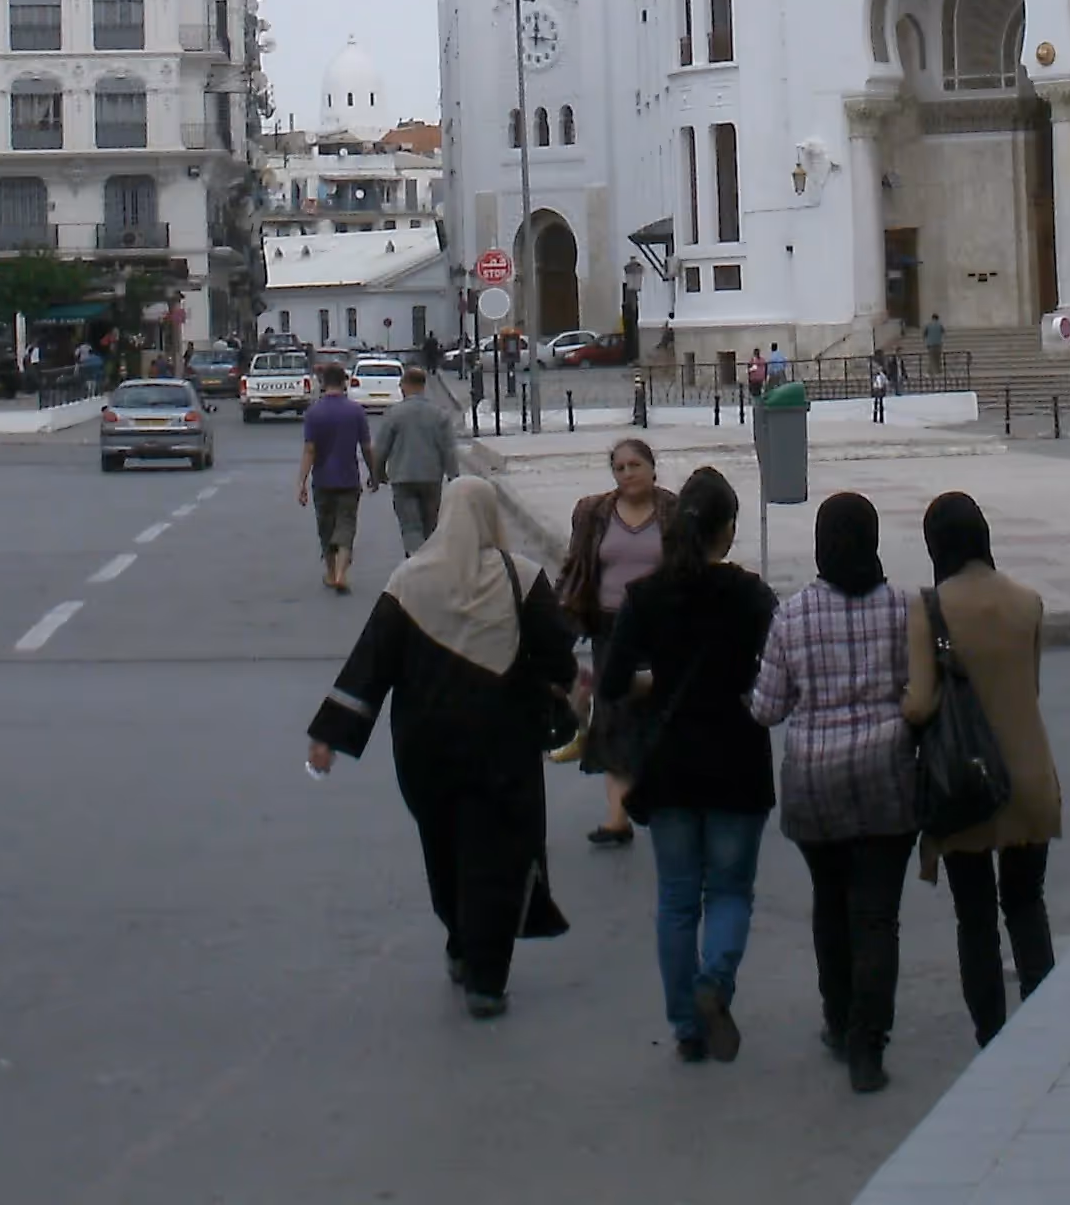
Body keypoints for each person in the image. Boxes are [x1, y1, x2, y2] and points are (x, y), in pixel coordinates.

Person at [305, 479, 579, 1019]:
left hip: (426, 750)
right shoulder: (521, 577)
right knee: (496, 857)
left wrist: (329, 737)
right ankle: (486, 978)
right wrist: (569, 685)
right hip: (504, 749)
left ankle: (460, 938)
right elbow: (556, 654)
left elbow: (372, 663)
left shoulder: (409, 582)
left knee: (445, 848)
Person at [605, 466, 776, 1063]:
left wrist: (658, 683)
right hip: (737, 757)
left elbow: (613, 681)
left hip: (670, 760)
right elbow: (774, 671)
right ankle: (715, 980)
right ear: (727, 531)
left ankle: (685, 1025)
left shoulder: (645, 597)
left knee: (678, 898)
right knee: (730, 890)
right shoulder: (752, 596)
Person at [746, 491, 914, 1094]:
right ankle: (870, 1045)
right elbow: (919, 693)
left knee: (830, 903)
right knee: (877, 915)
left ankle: (838, 1019)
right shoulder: (901, 609)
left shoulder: (792, 616)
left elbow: (767, 710)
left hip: (813, 781)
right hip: (886, 776)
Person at [903, 490, 1061, 1048]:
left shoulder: (929, 608)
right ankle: (1043, 1022)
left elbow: (921, 703)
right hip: (1030, 776)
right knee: (1025, 901)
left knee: (975, 918)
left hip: (965, 783)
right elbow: (1032, 689)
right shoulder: (1029, 601)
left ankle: (992, 1035)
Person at [561, 436, 672, 842]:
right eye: (620, 468)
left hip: (661, 629)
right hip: (610, 628)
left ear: (652, 467)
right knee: (614, 718)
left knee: (661, 713)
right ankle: (617, 817)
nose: (628, 474)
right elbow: (577, 566)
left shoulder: (673, 513)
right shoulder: (596, 513)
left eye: (635, 466)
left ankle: (665, 804)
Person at [374, 353, 465, 555]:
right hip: (431, 478)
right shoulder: (439, 414)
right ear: (423, 386)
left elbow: (381, 448)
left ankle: (416, 563)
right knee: (430, 525)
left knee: (410, 527)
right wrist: (454, 477)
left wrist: (377, 474)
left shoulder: (394, 414)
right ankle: (430, 562)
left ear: (404, 385)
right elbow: (448, 449)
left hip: (402, 479)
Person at [297, 358, 375, 593]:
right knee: (346, 525)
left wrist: (301, 481)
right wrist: (375, 473)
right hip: (349, 478)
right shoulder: (356, 411)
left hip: (322, 480)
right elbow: (366, 447)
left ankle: (331, 573)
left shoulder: (314, 413)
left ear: (322, 382)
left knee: (326, 527)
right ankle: (342, 573)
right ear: (344, 382)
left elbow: (310, 450)